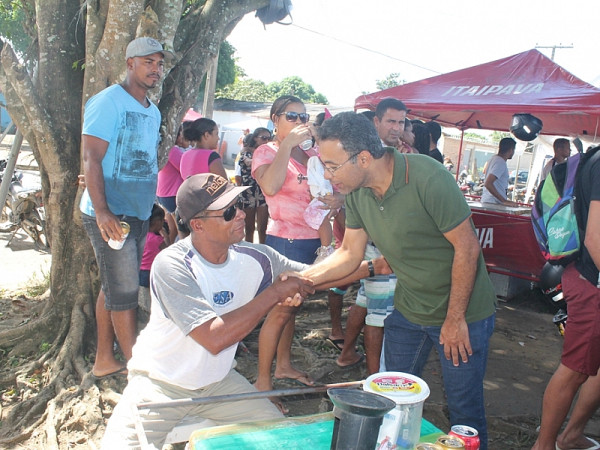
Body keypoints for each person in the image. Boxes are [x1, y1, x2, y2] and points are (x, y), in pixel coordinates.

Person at [302, 112, 497, 449]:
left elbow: (467, 249)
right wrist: (301, 280)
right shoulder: (359, 194)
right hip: (409, 310)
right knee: (388, 398)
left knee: (464, 414)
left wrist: (454, 319)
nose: (329, 176)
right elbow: (350, 253)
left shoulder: (427, 176)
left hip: (462, 313)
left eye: (332, 166)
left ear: (363, 157)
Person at [101, 174, 315, 448]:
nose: (240, 215)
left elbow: (312, 276)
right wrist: (273, 294)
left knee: (285, 440)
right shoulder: (173, 264)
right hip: (160, 387)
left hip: (219, 382)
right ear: (197, 225)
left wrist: (370, 265)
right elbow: (214, 339)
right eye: (227, 212)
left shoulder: (256, 257)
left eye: (238, 206)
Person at [80, 36, 171, 378]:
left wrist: (151, 207)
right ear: (130, 63)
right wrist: (103, 211)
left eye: (160, 63)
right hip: (109, 214)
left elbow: (144, 160)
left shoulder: (154, 109)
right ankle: (139, 369)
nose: (155, 69)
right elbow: (91, 157)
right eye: (148, 62)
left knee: (114, 286)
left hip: (138, 212)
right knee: (126, 290)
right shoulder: (108, 102)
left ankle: (105, 359)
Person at [251, 95, 333, 391]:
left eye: (303, 116)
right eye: (291, 116)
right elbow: (270, 186)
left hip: (312, 240)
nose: (299, 122)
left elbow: (326, 192)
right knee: (279, 310)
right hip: (285, 240)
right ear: (275, 119)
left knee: (292, 307)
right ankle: (263, 382)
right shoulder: (266, 151)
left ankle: (283, 365)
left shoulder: (310, 155)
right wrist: (286, 145)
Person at [532, 147, 600, 450]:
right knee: (574, 369)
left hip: (586, 277)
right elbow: (595, 240)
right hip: (591, 283)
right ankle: (544, 445)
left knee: (592, 367)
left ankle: (570, 435)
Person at [156, 121, 190, 243]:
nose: (182, 136)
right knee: (182, 231)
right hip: (172, 194)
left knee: (172, 229)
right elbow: (185, 169)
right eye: (181, 133)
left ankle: (167, 250)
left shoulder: (165, 148)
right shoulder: (173, 150)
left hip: (164, 193)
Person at [238, 128, 271, 244]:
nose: (266, 140)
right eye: (263, 138)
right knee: (249, 228)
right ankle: (249, 252)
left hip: (262, 194)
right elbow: (247, 162)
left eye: (269, 138)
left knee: (263, 228)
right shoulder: (246, 152)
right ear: (255, 138)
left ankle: (264, 252)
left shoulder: (268, 152)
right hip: (248, 194)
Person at [138, 204, 170, 289]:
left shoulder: (141, 236)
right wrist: (166, 236)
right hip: (151, 272)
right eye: (163, 221)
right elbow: (167, 251)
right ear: (157, 222)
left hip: (140, 272)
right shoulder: (156, 239)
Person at [480, 137, 519, 206]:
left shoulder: (494, 159)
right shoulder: (500, 162)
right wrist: (504, 201)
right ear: (510, 150)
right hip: (493, 203)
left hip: (490, 202)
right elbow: (488, 183)